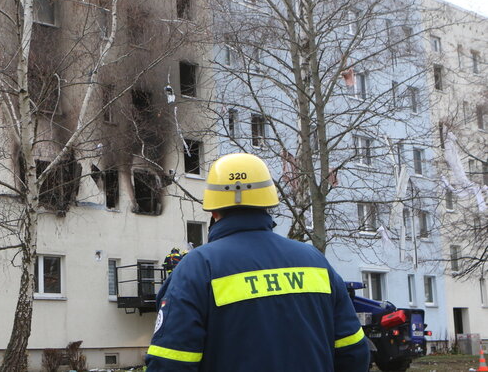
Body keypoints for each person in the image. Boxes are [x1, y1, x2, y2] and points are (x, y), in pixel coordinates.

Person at [146, 153, 369, 371]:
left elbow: (169, 362)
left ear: (213, 210)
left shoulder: (198, 268)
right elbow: (354, 352)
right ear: (268, 203)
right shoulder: (314, 261)